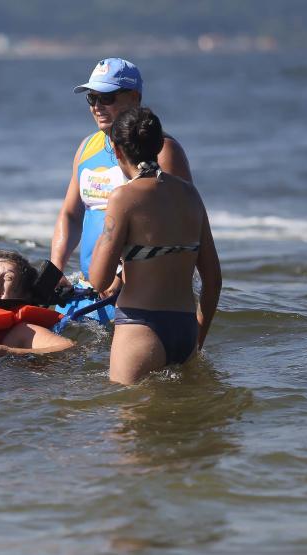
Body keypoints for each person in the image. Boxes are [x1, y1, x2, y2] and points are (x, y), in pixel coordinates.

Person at [50, 58, 192, 322]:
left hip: (141, 294)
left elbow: (178, 225)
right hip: (92, 291)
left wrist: (121, 277)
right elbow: (70, 215)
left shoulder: (164, 150)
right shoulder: (87, 147)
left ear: (135, 98)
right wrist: (56, 267)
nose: (97, 107)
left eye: (108, 97)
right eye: (92, 98)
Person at [89, 107, 221, 385]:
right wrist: (198, 337)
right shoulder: (190, 194)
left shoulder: (123, 198)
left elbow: (98, 278)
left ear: (117, 149)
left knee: (127, 423)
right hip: (185, 328)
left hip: (140, 328)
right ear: (160, 145)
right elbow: (214, 280)